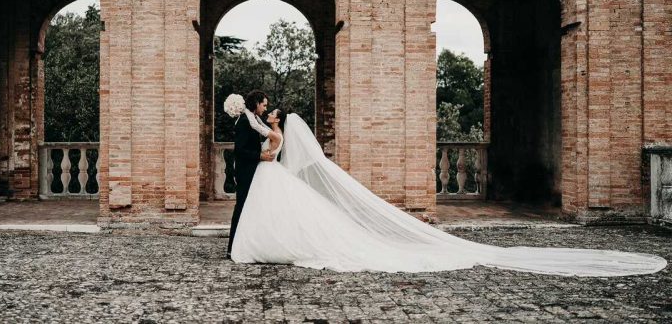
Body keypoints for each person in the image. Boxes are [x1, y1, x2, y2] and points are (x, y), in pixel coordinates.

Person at [231, 109, 668, 276]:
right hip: (274, 177)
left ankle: (262, 245)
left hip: (272, 175)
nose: (269, 115)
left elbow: (272, 153)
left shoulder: (274, 133)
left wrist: (267, 151)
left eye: (270, 113)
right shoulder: (273, 130)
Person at [226, 90, 279, 259]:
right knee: (241, 207)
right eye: (263, 105)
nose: (264, 108)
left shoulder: (254, 120)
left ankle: (248, 245)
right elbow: (239, 150)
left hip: (253, 170)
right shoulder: (243, 122)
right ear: (256, 103)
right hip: (245, 172)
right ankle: (232, 247)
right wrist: (259, 156)